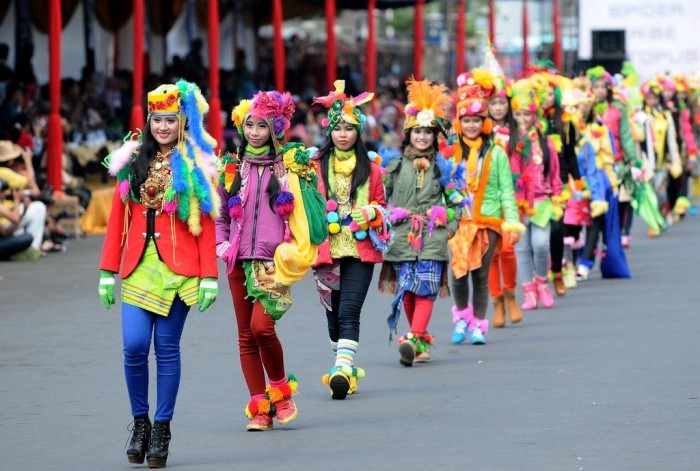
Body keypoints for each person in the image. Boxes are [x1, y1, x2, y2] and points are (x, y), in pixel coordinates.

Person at [98, 79, 220, 468]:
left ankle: (162, 428)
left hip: (180, 269)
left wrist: (209, 275)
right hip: (137, 266)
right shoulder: (132, 159)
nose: (163, 127)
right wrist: (106, 270)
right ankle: (140, 422)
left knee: (166, 350)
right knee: (134, 347)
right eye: (157, 120)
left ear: (183, 121)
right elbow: (118, 218)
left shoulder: (197, 165)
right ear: (149, 120)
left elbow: (206, 222)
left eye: (170, 120)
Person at [217, 90, 324, 431]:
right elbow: (221, 215)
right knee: (245, 336)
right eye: (249, 125)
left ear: (276, 128)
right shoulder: (232, 168)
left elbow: (307, 213)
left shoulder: (289, 167)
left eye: (262, 126)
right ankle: (259, 408)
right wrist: (222, 245)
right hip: (237, 262)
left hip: (273, 262)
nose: (254, 132)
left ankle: (279, 388)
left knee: (263, 327)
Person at [311, 80, 390, 398]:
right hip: (326, 249)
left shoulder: (373, 171)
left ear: (359, 132)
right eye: (337, 128)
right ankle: (343, 364)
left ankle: (342, 370)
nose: (343, 134)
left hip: (360, 248)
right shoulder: (313, 167)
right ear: (329, 131)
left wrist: (371, 212)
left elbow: (383, 208)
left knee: (349, 311)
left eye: (349, 128)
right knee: (332, 316)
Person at [378, 77, 459, 366]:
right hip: (402, 236)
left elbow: (457, 202)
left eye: (428, 132)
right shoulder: (395, 166)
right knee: (408, 291)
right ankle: (420, 342)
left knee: (425, 287)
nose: (423, 137)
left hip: (432, 235)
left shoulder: (444, 167)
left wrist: (448, 228)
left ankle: (412, 337)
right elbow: (381, 198)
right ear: (408, 134)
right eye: (418, 132)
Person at [447, 68, 524, 345]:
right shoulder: (450, 153)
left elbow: (507, 191)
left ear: (484, 123)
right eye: (466, 120)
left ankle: (479, 324)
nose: (470, 125)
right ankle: (461, 319)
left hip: (489, 222)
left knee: (480, 274)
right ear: (460, 122)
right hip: (459, 222)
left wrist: (511, 223)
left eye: (476, 120)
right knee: (458, 272)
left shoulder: (497, 153)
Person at [509, 75, 563, 310]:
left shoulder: (546, 141)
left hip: (541, 201)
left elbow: (555, 172)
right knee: (522, 248)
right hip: (516, 203)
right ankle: (528, 291)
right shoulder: (508, 142)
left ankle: (542, 283)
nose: (522, 119)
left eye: (526, 114)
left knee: (541, 245)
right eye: (518, 114)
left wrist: (558, 196)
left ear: (534, 115)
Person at [573, 78, 631, 281]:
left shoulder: (600, 130)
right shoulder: (567, 131)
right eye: (575, 107)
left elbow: (608, 160)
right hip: (573, 183)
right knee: (571, 224)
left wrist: (613, 184)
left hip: (598, 181)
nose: (579, 111)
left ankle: (585, 263)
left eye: (583, 107)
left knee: (594, 222)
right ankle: (570, 262)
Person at [485, 70, 524, 328]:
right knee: (490, 255)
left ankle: (510, 294)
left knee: (508, 250)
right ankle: (497, 301)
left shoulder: (519, 132)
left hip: (511, 197)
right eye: (493, 103)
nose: (498, 107)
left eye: (501, 102)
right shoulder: (479, 131)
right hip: (485, 200)